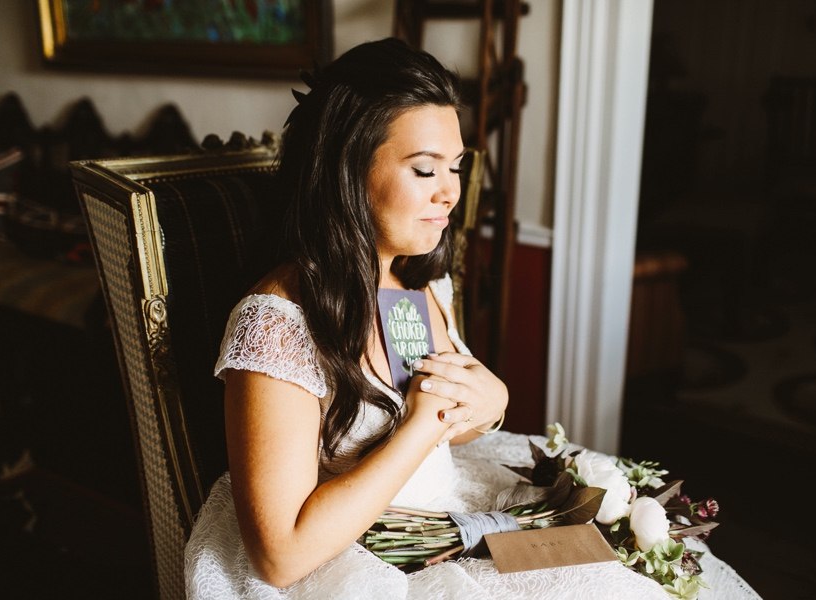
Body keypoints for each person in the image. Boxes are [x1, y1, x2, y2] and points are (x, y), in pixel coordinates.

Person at [185, 38, 758, 600]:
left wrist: (491, 406)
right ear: (346, 170)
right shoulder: (277, 323)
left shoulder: (422, 283)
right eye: (424, 170)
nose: (450, 195)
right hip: (354, 565)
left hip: (451, 513)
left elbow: (443, 417)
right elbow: (281, 556)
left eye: (455, 168)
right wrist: (421, 428)